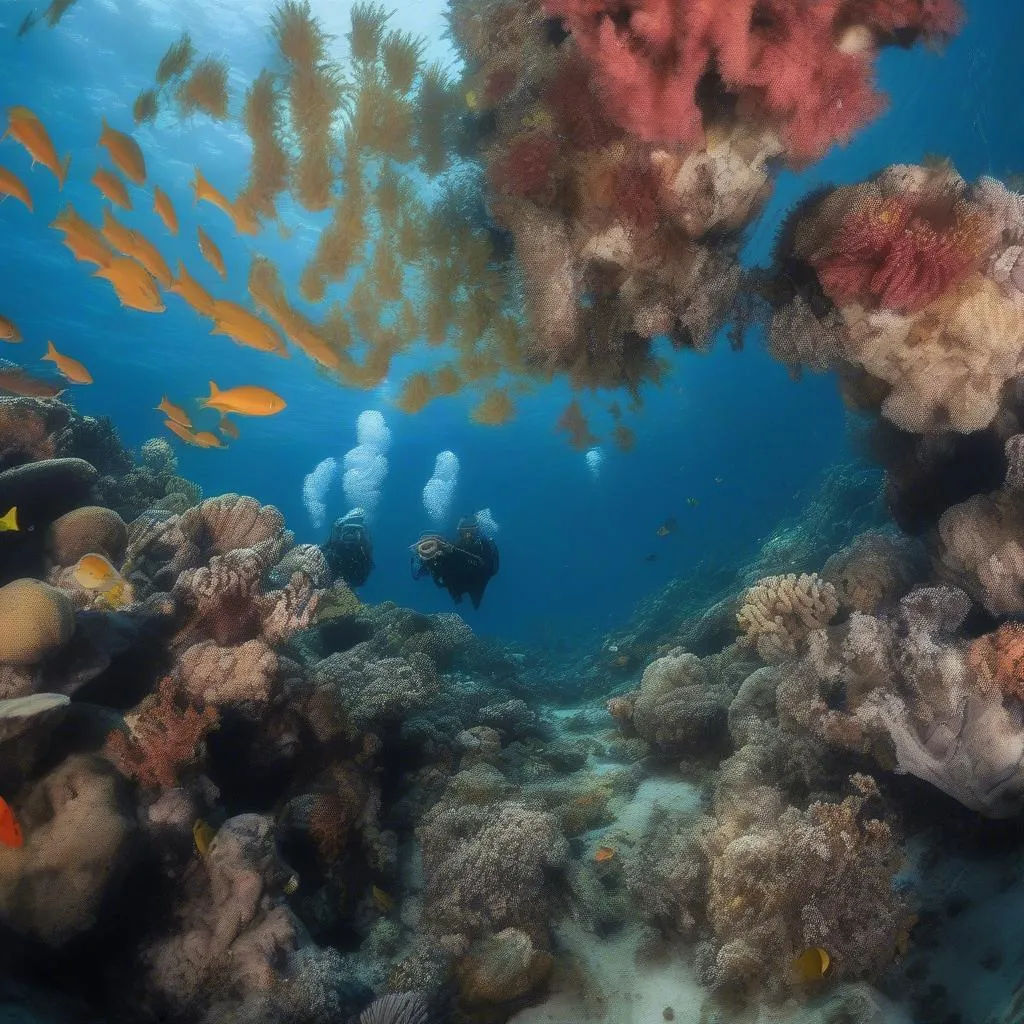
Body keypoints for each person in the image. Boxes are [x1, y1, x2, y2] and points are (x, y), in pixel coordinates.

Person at [411, 514, 499, 609]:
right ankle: (461, 604)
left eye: (472, 531)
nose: (468, 535)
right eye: (464, 532)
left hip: (477, 582)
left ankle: (471, 607)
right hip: (457, 582)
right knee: (458, 599)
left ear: (477, 532)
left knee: (476, 601)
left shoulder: (484, 547)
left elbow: (489, 568)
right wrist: (429, 559)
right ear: (459, 532)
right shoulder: (453, 545)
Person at [322, 507, 373, 587]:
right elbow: (324, 550)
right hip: (333, 571)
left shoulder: (362, 543)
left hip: (352, 575)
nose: (351, 534)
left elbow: (366, 567)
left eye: (354, 531)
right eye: (348, 530)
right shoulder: (337, 538)